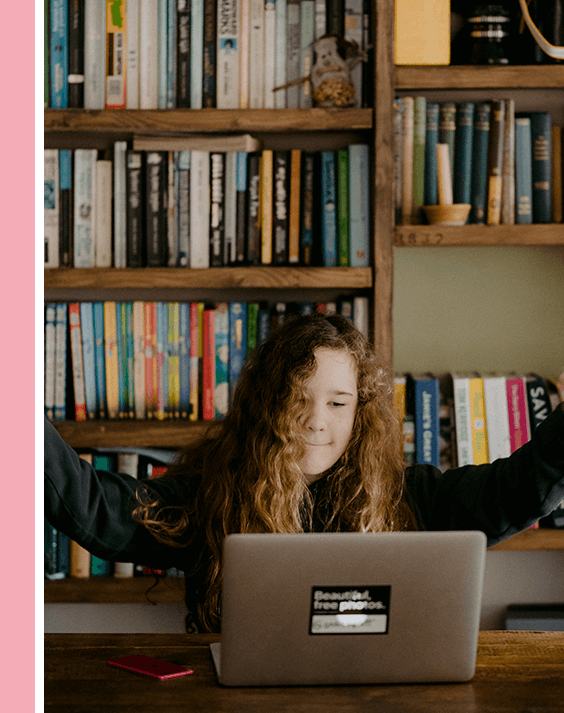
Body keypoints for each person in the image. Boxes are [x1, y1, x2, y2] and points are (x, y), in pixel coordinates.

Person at [44, 313, 564, 633]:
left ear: (360, 413)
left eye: (339, 403)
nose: (317, 421)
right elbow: (93, 506)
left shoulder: (409, 497)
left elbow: (512, 493)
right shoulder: (211, 498)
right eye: (298, 398)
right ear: (268, 405)